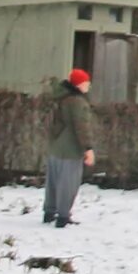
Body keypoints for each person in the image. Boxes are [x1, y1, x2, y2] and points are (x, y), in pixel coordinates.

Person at [43, 69, 95, 227]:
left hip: (56, 147)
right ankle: (63, 217)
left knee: (53, 182)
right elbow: (82, 127)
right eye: (86, 82)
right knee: (68, 183)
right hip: (70, 149)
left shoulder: (61, 98)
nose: (89, 85)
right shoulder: (78, 102)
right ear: (79, 84)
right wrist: (88, 148)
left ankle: (49, 212)